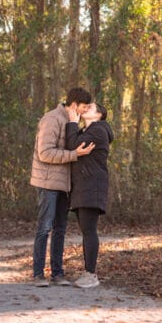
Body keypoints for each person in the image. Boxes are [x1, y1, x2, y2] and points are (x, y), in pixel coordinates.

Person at [30, 86, 94, 287]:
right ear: (74, 105)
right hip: (48, 182)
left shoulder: (73, 122)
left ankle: (57, 274)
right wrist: (74, 155)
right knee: (44, 227)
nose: (85, 111)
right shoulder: (52, 119)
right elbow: (45, 153)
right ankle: (38, 274)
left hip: (64, 184)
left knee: (60, 229)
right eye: (84, 107)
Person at [65, 102, 114, 288]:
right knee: (86, 230)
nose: (86, 109)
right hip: (83, 186)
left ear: (99, 115)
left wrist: (72, 122)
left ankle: (91, 275)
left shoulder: (99, 131)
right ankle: (88, 273)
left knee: (89, 230)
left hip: (92, 186)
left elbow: (73, 145)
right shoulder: (86, 131)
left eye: (91, 108)